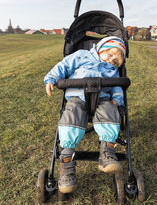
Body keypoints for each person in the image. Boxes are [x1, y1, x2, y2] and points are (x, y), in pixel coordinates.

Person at [44, 36, 126, 194]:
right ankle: (66, 165)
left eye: (116, 60)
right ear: (101, 49)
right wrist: (52, 78)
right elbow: (64, 66)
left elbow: (117, 86)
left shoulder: (112, 71)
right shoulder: (82, 55)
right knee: (71, 117)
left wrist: (117, 99)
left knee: (110, 110)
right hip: (77, 98)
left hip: (102, 100)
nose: (111, 61)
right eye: (110, 55)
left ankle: (107, 153)